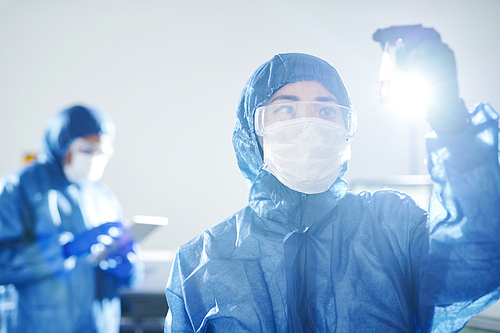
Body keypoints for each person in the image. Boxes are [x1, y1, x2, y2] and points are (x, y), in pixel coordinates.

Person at [164, 26, 500, 332]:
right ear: (253, 134)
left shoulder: (393, 227)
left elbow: (479, 256)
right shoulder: (200, 262)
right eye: (286, 109)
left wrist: (453, 125)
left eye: (326, 110)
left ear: (346, 129)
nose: (309, 125)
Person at [0, 105, 144, 333]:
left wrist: (127, 271)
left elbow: (111, 280)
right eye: (87, 150)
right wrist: (65, 250)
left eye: (102, 152)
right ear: (61, 145)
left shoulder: (103, 196)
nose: (94, 158)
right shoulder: (20, 189)